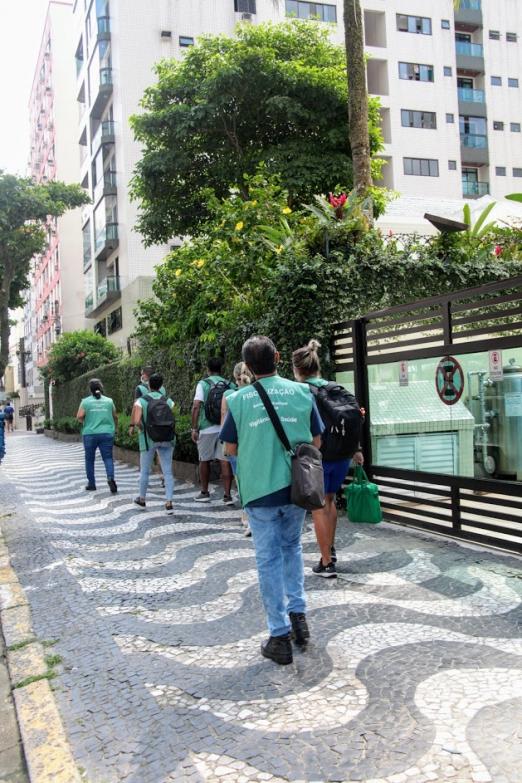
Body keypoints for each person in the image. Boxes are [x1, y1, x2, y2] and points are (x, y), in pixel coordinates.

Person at [220, 336, 324, 666]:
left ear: (247, 368)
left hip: (259, 489)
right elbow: (316, 439)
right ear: (278, 357)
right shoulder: (301, 392)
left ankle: (278, 636)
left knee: (267, 559)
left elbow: (231, 449)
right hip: (295, 488)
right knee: (291, 548)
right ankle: (299, 618)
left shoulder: (238, 401)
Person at [292, 339, 364, 578]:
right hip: (342, 454)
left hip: (318, 456)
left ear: (297, 369)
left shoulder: (301, 391)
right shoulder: (334, 387)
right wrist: (356, 447)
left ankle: (326, 562)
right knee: (330, 500)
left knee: (318, 506)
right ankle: (329, 550)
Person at [129, 372, 175, 513]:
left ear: (148, 385)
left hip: (148, 440)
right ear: (161, 386)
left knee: (145, 470)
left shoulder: (141, 401)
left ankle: (142, 499)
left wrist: (143, 429)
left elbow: (136, 421)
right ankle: (169, 502)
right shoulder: (168, 400)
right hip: (167, 438)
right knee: (168, 471)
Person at [191, 357, 235, 504]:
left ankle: (205, 492)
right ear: (221, 369)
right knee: (225, 461)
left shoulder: (203, 384)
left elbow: (196, 405)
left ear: (208, 369)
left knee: (204, 460)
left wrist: (194, 428)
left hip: (206, 428)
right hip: (225, 428)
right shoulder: (230, 384)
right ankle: (227, 495)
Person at [221, 361, 254, 535]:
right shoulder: (257, 393)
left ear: (235, 377)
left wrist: (225, 447)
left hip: (236, 446)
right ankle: (250, 517)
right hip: (254, 444)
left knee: (241, 483)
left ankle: (248, 517)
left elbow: (224, 420)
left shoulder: (229, 395)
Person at [76, 379, 118, 493]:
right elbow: (115, 416)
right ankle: (110, 478)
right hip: (107, 433)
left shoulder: (85, 402)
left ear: (90, 389)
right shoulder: (109, 401)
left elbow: (79, 416)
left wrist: (86, 422)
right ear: (101, 388)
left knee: (89, 460)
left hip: (90, 434)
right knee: (108, 458)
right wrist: (115, 428)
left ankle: (92, 484)